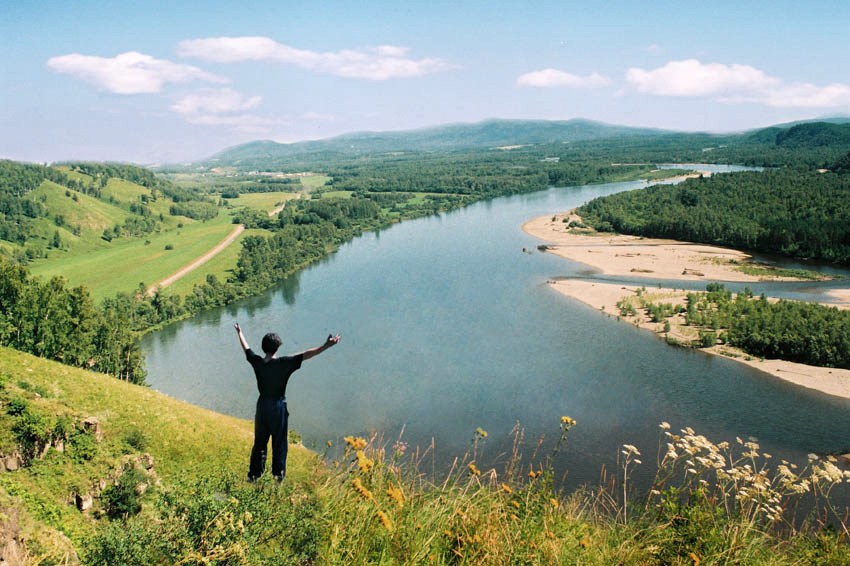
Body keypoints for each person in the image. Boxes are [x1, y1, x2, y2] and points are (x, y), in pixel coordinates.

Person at [234, 322, 340, 482]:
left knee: (260, 442)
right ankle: (278, 476)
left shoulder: (258, 362)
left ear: (264, 348)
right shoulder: (284, 363)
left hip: (262, 406)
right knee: (279, 442)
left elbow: (246, 349)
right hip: (278, 406)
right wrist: (326, 345)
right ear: (277, 348)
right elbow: (306, 354)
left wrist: (239, 332)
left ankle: (254, 476)